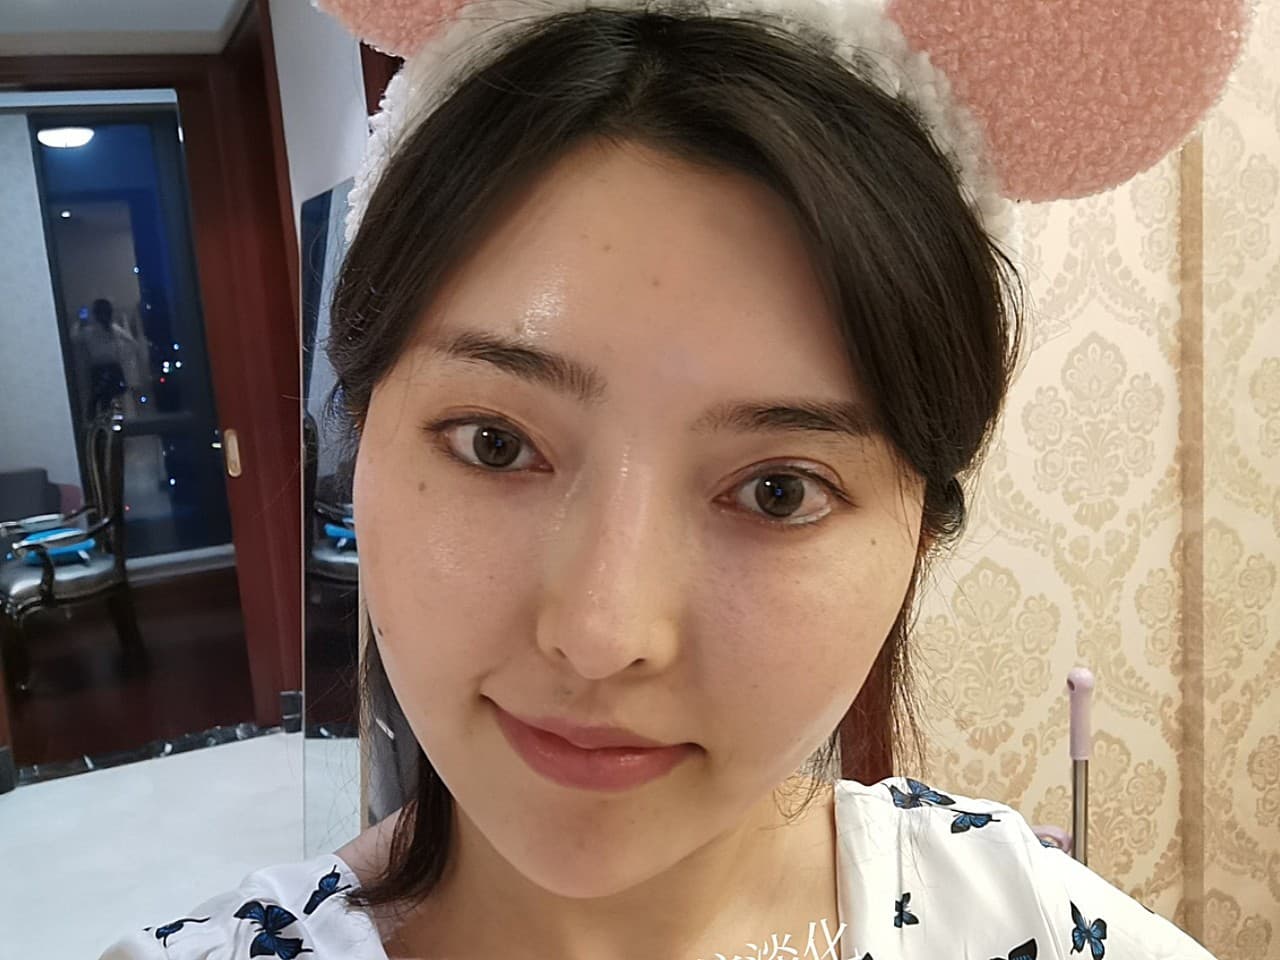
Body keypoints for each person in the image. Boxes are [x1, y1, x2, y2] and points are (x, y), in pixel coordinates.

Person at [100, 0, 1248, 956]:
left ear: (920, 530)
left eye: (777, 489)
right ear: (361, 434)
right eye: (494, 442)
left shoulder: (1036, 933)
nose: (602, 635)